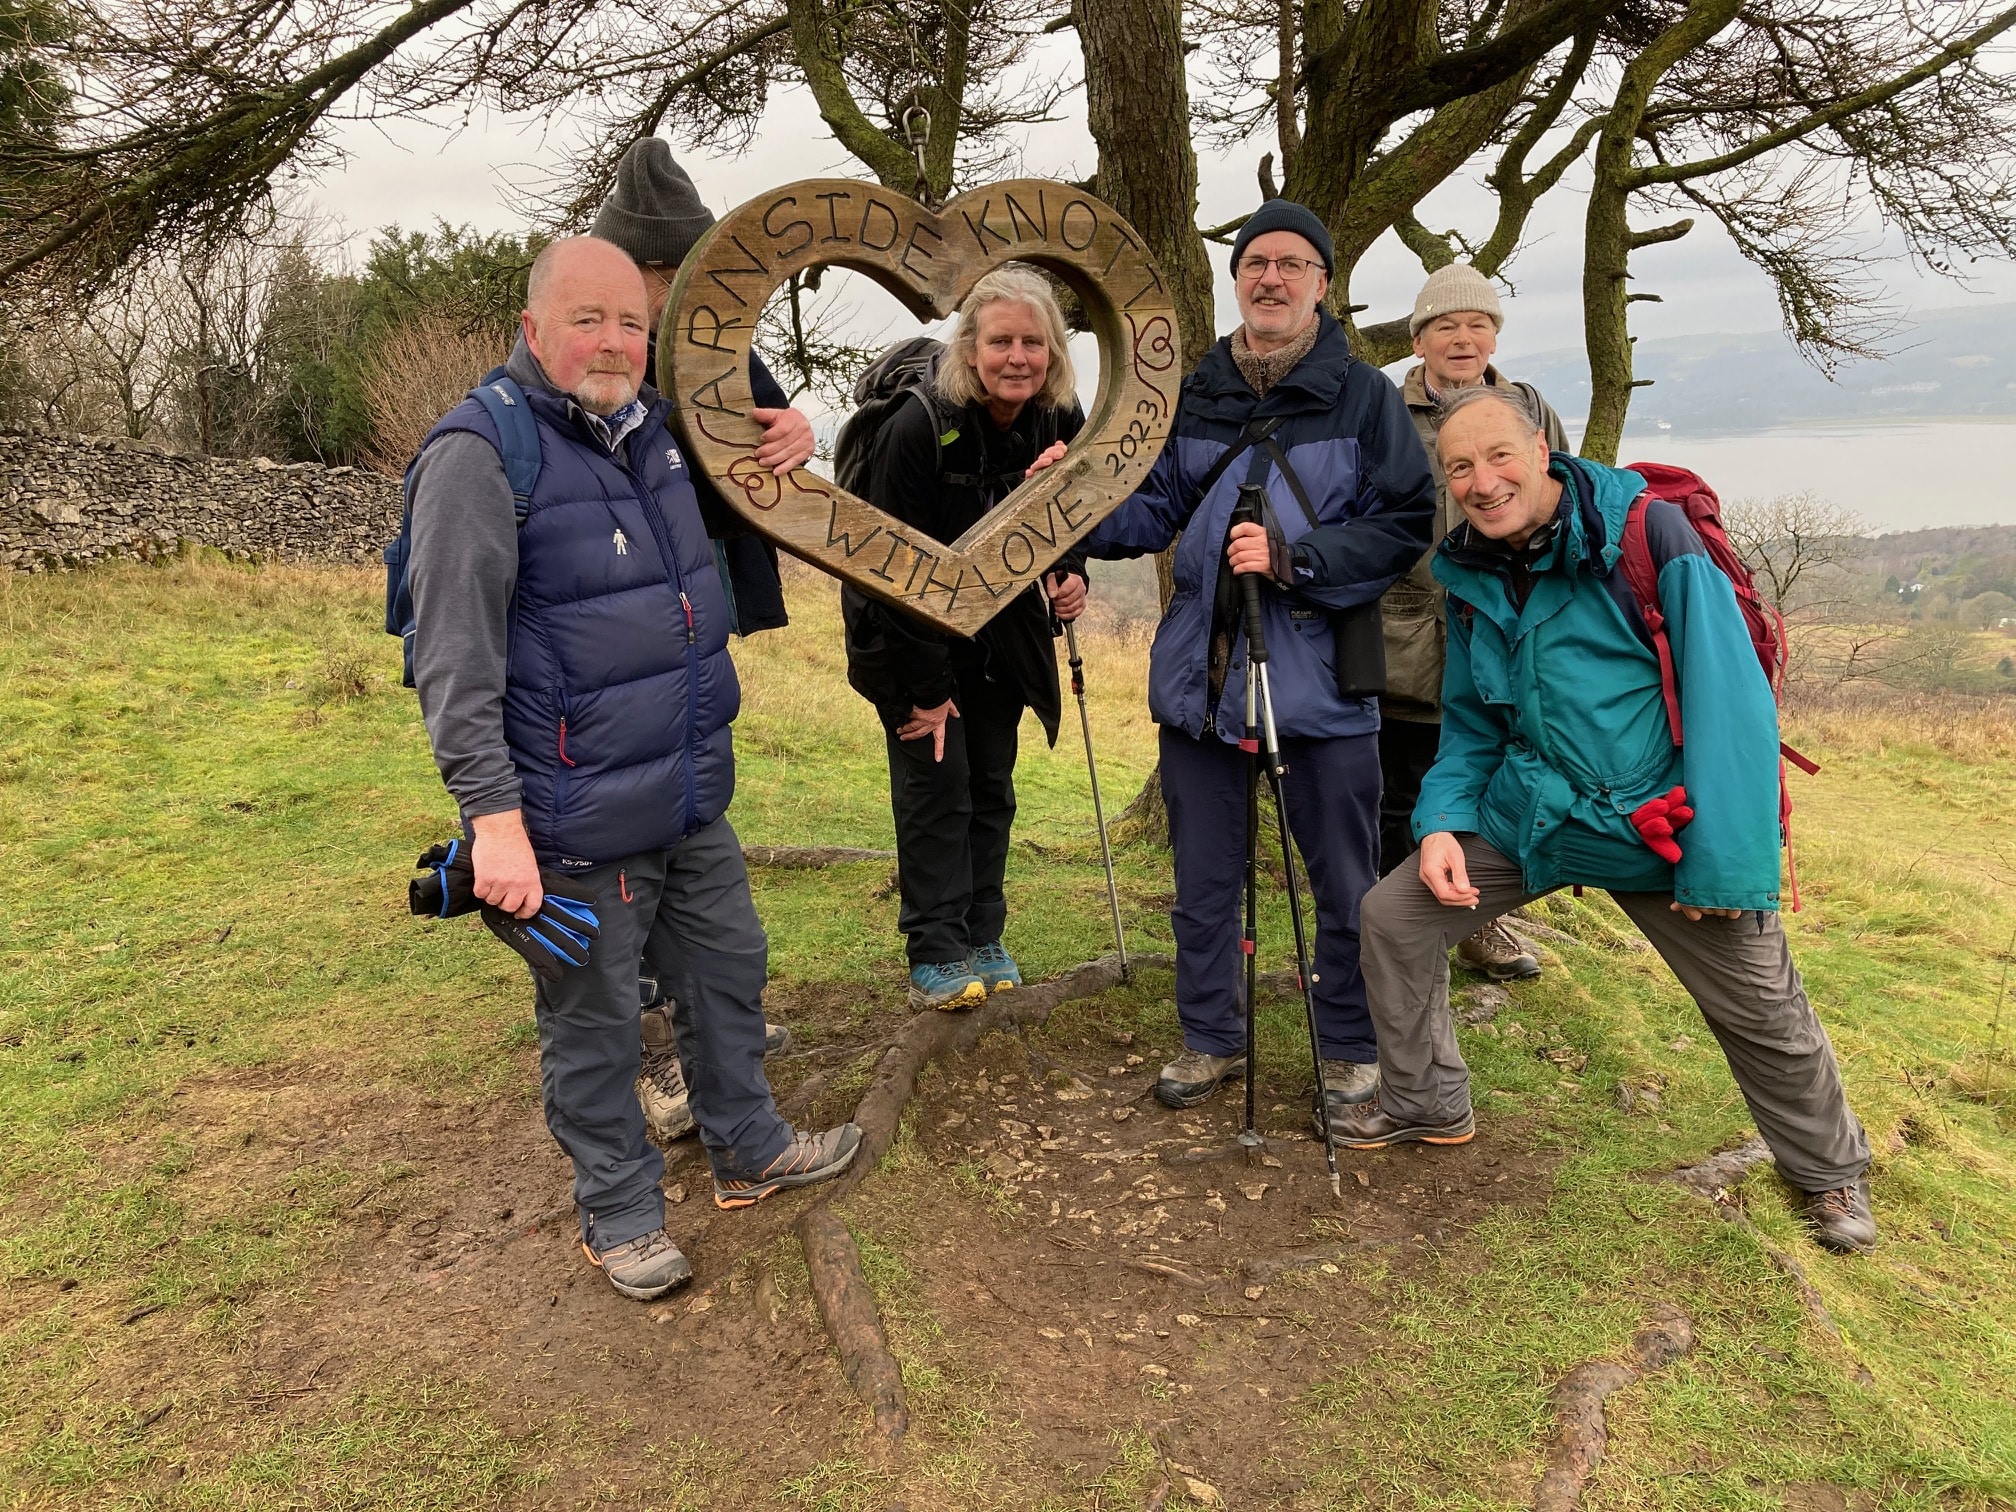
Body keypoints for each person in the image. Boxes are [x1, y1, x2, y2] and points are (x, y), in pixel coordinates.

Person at [405, 236, 861, 1301]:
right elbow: (452, 656)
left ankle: (748, 1144)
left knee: (727, 974)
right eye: (587, 320)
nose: (613, 342)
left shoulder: (656, 432)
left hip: (691, 797)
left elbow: (754, 482)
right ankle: (619, 1211)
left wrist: (787, 434)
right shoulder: (480, 456)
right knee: (599, 1025)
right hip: (568, 823)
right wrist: (494, 821)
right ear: (532, 329)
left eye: (629, 324)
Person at [1339, 384, 1877, 1256]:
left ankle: (1826, 1172)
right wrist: (1439, 824)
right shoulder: (1469, 572)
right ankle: (1422, 1101)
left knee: (1761, 1009)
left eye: (1499, 456)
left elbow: (1731, 708)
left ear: (1543, 449)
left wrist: (1725, 871)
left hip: (1660, 827)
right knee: (1394, 916)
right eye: (1461, 466)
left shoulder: (1648, 536)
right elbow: (1473, 722)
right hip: (1534, 819)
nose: (1482, 481)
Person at [1077, 200, 1436, 1116]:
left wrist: (1296, 561)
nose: (1270, 278)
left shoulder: (1364, 398)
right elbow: (1152, 508)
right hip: (1201, 680)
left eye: (1291, 264)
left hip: (1322, 678)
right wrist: (1068, 501)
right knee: (1202, 877)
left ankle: (1353, 1046)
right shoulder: (1190, 391)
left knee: (1344, 878)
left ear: (1323, 283)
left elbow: (1404, 522)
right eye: (1254, 264)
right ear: (1235, 280)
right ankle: (1210, 1037)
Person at [591, 137, 813, 1140]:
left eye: (688, 267)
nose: (675, 289)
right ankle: (654, 1053)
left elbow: (765, 462)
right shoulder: (592, 349)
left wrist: (796, 434)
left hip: (694, 620)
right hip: (608, 629)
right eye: (659, 270)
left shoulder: (726, 335)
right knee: (625, 838)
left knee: (692, 813)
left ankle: (709, 1038)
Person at [842, 266, 1090, 1010]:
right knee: (935, 790)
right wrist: (926, 689)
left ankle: (985, 933)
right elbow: (884, 568)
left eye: (1033, 342)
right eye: (1001, 341)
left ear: (1053, 350)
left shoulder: (1058, 418)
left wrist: (1070, 572)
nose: (1018, 357)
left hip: (1000, 639)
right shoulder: (920, 424)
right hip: (907, 639)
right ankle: (936, 949)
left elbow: (1074, 517)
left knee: (989, 787)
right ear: (971, 347)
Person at [1381, 263, 1570, 984]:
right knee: (1400, 791)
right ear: (1419, 338)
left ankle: (1478, 923)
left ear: (1494, 334)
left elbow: (1560, 497)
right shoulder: (1385, 409)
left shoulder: (1526, 406)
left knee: (1489, 786)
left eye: (1477, 325)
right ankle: (1402, 925)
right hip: (1403, 635)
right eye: (1445, 326)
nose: (1463, 339)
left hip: (1499, 630)